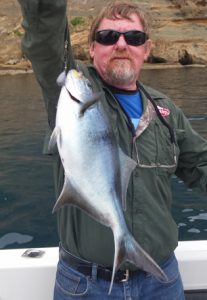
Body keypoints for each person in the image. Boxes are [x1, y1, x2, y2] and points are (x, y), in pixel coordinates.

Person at [18, 0, 207, 299]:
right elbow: (46, 40)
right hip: (84, 284)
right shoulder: (71, 90)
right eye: (107, 37)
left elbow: (200, 166)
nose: (121, 44)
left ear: (146, 49)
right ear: (92, 48)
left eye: (133, 38)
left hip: (162, 281)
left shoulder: (165, 110)